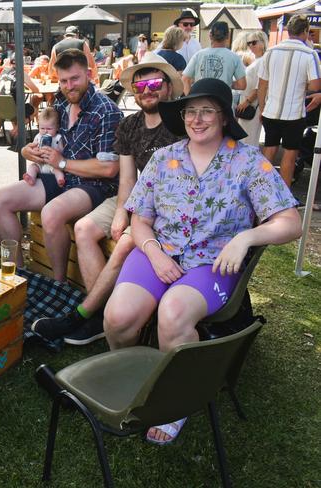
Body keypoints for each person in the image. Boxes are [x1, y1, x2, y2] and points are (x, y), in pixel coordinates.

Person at [104, 78, 301, 444]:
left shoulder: (247, 162)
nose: (197, 119)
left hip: (211, 265)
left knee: (174, 313)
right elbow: (140, 219)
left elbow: (291, 223)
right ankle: (133, 378)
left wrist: (246, 237)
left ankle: (176, 403)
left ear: (224, 117)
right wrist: (153, 253)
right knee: (117, 318)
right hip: (158, 252)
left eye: (207, 110)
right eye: (190, 111)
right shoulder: (164, 158)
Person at [32, 52, 183, 345]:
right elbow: (126, 177)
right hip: (135, 197)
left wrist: (133, 216)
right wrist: (121, 212)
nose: (146, 91)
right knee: (84, 228)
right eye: (139, 86)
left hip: (170, 208)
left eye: (153, 83)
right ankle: (103, 314)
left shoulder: (181, 124)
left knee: (126, 240)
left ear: (167, 85)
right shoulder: (129, 126)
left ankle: (87, 316)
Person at [0, 49, 122, 282]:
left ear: (89, 75)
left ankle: (58, 283)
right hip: (59, 177)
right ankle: (18, 277)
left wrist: (61, 162)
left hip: (94, 186)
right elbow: (45, 139)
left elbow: (109, 169)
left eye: (75, 79)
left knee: (51, 213)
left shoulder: (106, 111)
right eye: (63, 80)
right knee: (0, 200)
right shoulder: (61, 103)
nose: (69, 86)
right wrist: (28, 151)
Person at [258, 14, 321, 187]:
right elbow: (315, 85)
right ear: (306, 31)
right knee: (290, 154)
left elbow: (262, 84)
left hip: (271, 109)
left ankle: (262, 190)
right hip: (294, 113)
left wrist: (262, 108)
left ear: (288, 31)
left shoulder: (271, 52)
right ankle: (283, 197)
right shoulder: (310, 54)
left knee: (269, 150)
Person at [182, 21, 246, 94]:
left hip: (201, 99)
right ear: (228, 36)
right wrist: (226, 82)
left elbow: (185, 79)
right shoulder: (234, 57)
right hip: (223, 99)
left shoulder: (198, 55)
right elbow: (242, 85)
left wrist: (190, 99)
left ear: (210, 35)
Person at [234, 30, 268, 147]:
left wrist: (247, 102)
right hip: (248, 101)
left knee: (248, 139)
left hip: (252, 104)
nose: (251, 46)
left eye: (254, 42)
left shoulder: (262, 61)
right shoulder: (258, 60)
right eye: (249, 43)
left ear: (262, 42)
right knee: (246, 138)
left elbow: (260, 86)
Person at [23, 107, 65, 187]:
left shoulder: (58, 138)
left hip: (52, 165)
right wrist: (35, 150)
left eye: (49, 129)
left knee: (58, 171)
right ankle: (31, 178)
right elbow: (33, 147)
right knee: (32, 167)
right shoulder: (38, 137)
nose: (45, 131)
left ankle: (60, 180)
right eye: (42, 128)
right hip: (40, 164)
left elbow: (61, 150)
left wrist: (57, 151)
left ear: (57, 127)